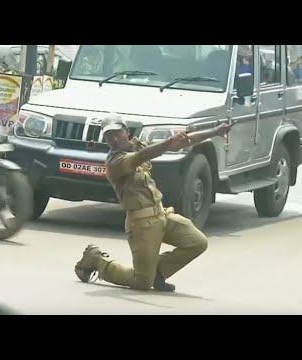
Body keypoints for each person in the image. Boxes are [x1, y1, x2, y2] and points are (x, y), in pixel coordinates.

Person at [74, 113, 232, 292]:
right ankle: (96, 259)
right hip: (141, 225)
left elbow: (183, 142)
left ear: (126, 131)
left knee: (198, 242)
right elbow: (140, 157)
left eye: (116, 133)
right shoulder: (115, 162)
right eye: (108, 136)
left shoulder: (137, 145)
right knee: (141, 282)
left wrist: (215, 131)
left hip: (161, 214)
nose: (113, 139)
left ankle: (158, 273)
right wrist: (167, 144)